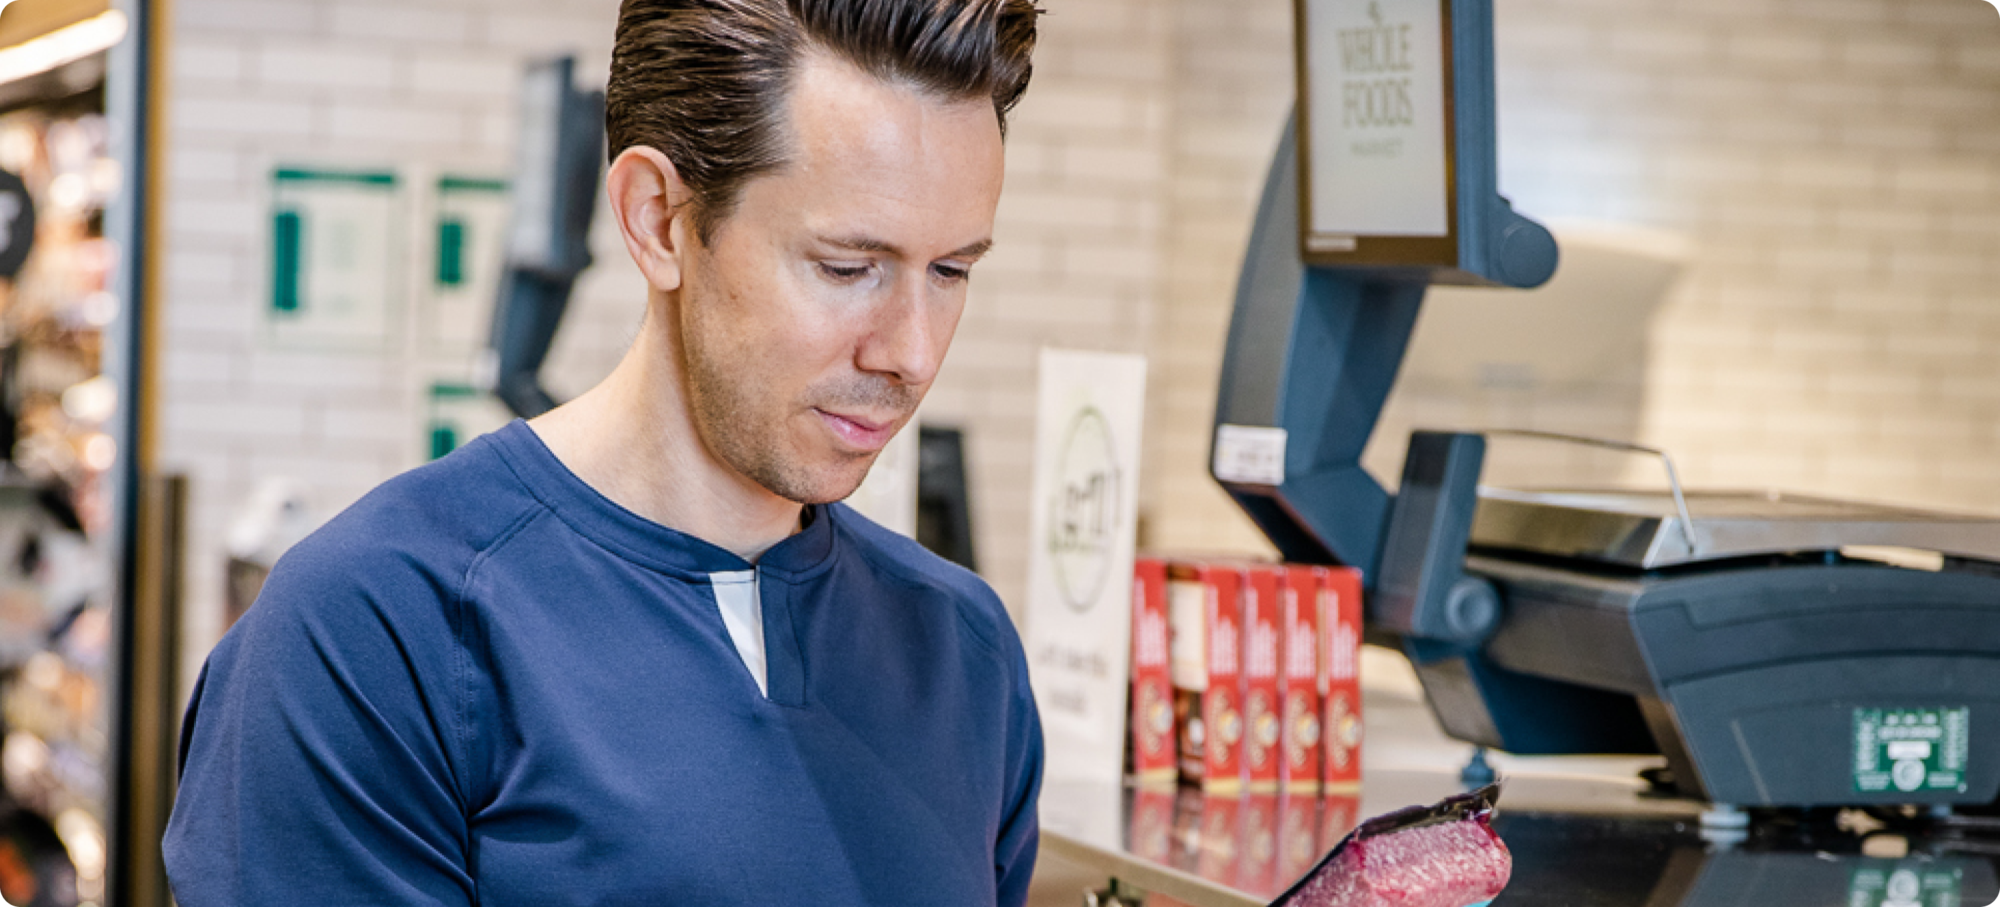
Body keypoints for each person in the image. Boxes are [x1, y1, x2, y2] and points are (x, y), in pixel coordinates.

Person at [162, 0, 1044, 903]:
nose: (912, 351)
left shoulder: (965, 654)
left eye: (950, 272)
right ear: (658, 220)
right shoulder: (372, 632)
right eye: (847, 267)